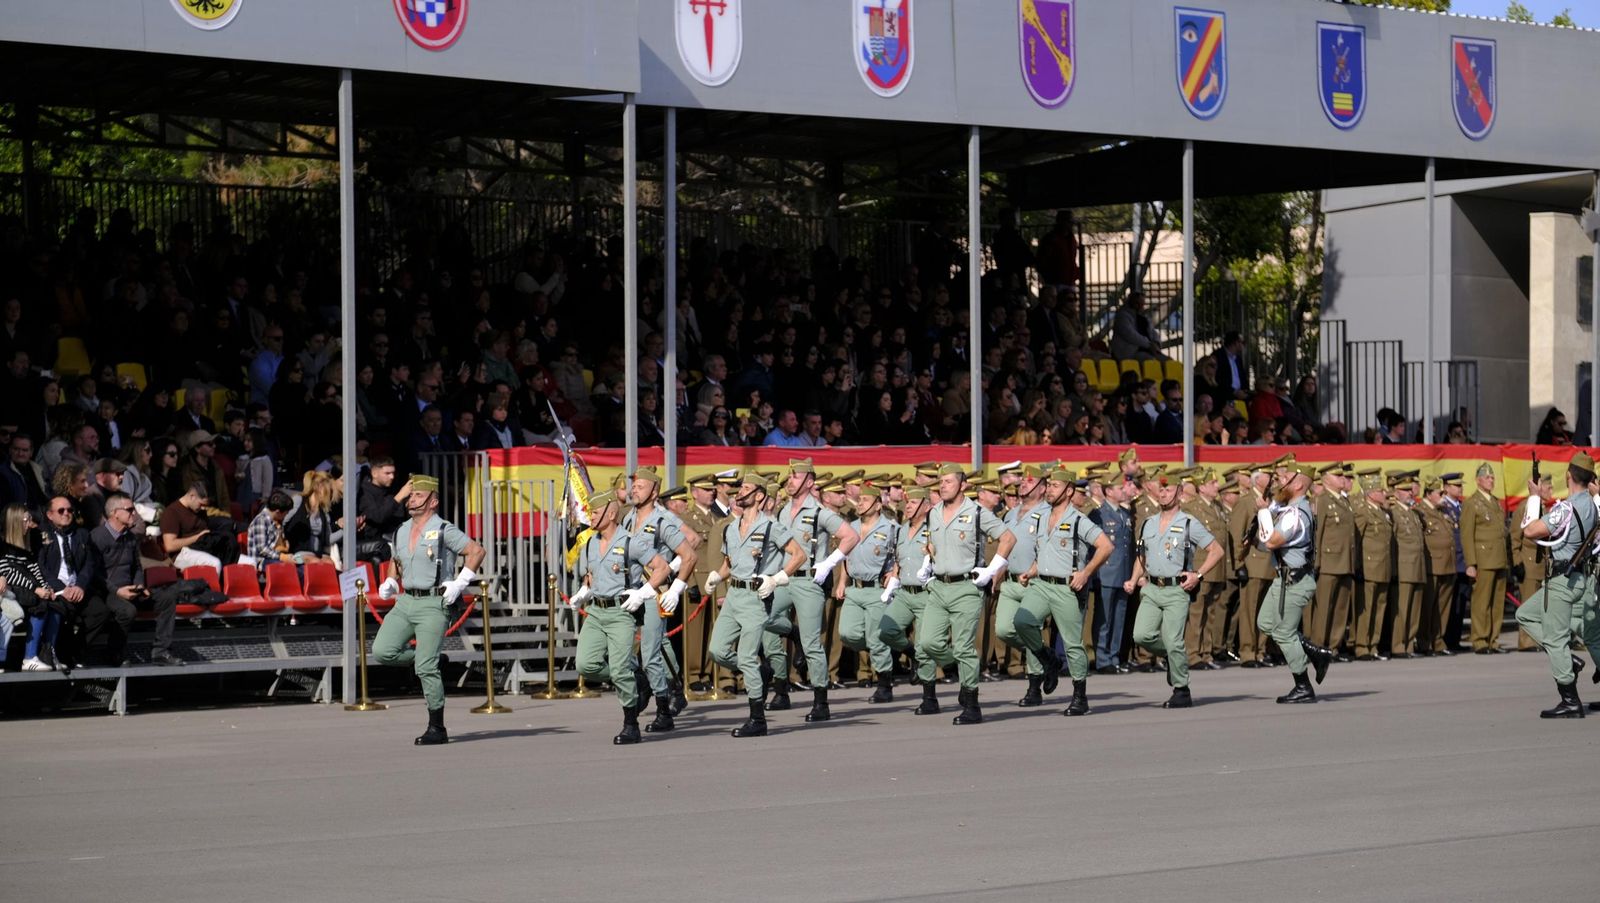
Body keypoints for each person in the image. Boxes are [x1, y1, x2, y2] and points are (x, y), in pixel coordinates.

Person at [373, 474, 486, 746]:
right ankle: (432, 660)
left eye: (419, 496)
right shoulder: (401, 530)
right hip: (407, 600)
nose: (412, 500)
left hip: (433, 602)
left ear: (433, 501)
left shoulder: (444, 529)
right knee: (382, 650)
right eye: (411, 495)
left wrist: (460, 583)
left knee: (425, 667)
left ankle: (437, 727)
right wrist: (391, 580)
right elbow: (396, 560)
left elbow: (476, 551)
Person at [704, 473, 805, 738]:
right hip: (734, 595)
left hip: (755, 597)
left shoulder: (771, 527)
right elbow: (729, 562)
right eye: (740, 489)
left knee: (747, 655)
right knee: (717, 651)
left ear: (759, 495)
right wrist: (717, 576)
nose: (740, 492)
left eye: (746, 488)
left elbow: (799, 555)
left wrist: (777, 578)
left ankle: (757, 719)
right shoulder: (730, 528)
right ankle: (760, 672)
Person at [914, 463, 1016, 724]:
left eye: (948, 481)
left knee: (963, 647)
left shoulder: (977, 512)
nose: (943, 485)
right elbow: (931, 544)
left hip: (966, 588)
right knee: (928, 643)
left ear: (963, 485)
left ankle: (971, 703)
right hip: (938, 587)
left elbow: (1008, 539)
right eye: (941, 481)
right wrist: (927, 564)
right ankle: (960, 668)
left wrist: (992, 570)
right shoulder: (933, 513)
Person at [570, 489, 671, 744]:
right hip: (596, 611)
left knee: (618, 670)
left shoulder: (631, 542)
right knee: (585, 664)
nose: (591, 517)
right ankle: (636, 677)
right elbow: (591, 574)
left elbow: (662, 567)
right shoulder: (591, 543)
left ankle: (630, 724)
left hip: (621, 612)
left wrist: (643, 593)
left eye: (595, 512)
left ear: (611, 514)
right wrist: (583, 591)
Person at [1016, 467, 1114, 715]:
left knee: (1072, 644)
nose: (1050, 489)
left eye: (1055, 486)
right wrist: (1031, 571)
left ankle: (1080, 696)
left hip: (1066, 588)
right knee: (1022, 622)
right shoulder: (1041, 517)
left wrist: (1085, 572)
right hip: (1041, 584)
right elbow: (1044, 551)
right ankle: (1047, 658)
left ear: (1069, 491)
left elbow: (1106, 546)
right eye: (1048, 485)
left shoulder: (1079, 520)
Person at [768, 457, 858, 721]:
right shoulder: (783, 511)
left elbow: (851, 536)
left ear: (809, 481)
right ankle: (781, 684)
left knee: (811, 644)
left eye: (795, 476)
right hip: (783, 578)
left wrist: (828, 564)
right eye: (789, 476)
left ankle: (820, 701)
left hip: (808, 581)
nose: (789, 481)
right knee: (763, 620)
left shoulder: (820, 512)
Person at [1126, 469, 1224, 709]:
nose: (1163, 494)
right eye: (1160, 490)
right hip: (1152, 588)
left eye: (1168, 490)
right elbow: (1142, 556)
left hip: (1175, 590)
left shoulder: (1189, 523)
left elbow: (1216, 550)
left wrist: (1197, 575)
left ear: (1179, 493)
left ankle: (1181, 689)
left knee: (1174, 640)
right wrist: (1133, 578)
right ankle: (1173, 657)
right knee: (1141, 635)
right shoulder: (1148, 523)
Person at [1513, 452, 1597, 718]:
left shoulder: (1567, 508)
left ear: (1568, 475)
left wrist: (1534, 497)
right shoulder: (1591, 505)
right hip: (1578, 577)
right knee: (1524, 614)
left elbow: (1530, 531)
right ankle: (1567, 659)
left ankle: (1570, 700)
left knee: (1556, 638)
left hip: (1562, 580)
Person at [622, 466, 697, 729]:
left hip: (654, 590)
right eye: (633, 486)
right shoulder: (628, 518)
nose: (634, 490)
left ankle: (666, 699)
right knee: (637, 645)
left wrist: (672, 571)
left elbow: (692, 541)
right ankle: (656, 685)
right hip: (631, 591)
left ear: (654, 492)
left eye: (640, 486)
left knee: (652, 647)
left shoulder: (664, 518)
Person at [1253, 464, 1334, 704]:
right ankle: (1313, 652)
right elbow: (1271, 543)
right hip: (1284, 578)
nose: (1280, 481)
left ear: (1298, 484)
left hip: (1295, 581)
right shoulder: (1288, 510)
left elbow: (1272, 541)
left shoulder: (1295, 514)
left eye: (1285, 478)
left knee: (1283, 633)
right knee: (1265, 622)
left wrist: (1263, 512)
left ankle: (1303, 686)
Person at [90, 492, 182, 666]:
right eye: (130, 510)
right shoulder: (97, 536)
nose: (135, 513)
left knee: (167, 599)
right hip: (108, 591)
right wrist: (117, 591)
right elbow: (93, 573)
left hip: (131, 589)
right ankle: (115, 654)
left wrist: (139, 585)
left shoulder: (130, 537)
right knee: (127, 611)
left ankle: (161, 652)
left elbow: (137, 567)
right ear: (115, 513)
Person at [991, 463, 1056, 705]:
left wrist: (1033, 569)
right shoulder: (1010, 514)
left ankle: (1034, 687)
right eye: (1022, 481)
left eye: (1030, 481)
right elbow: (1005, 546)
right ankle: (1045, 654)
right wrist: (997, 570)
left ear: (1042, 488)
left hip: (1034, 583)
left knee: (1030, 628)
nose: (1023, 485)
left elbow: (1050, 549)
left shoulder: (1048, 514)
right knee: (1003, 630)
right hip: (1010, 582)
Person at [834, 484, 900, 703]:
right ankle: (881, 645)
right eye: (859, 499)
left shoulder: (891, 528)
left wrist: (894, 573)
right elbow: (844, 557)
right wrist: (842, 582)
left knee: (876, 639)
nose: (860, 503)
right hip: (855, 588)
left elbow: (901, 554)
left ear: (878, 505)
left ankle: (884, 684)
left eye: (865, 500)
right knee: (847, 633)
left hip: (876, 590)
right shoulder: (850, 527)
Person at [38, 494, 102, 669]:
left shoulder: (81, 534)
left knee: (100, 611)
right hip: (55, 588)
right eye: (61, 510)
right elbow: (41, 566)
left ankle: (76, 649)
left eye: (69, 510)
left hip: (76, 587)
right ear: (50, 515)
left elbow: (89, 563)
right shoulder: (41, 535)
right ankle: (60, 654)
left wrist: (80, 585)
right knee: (61, 609)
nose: (66, 513)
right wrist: (61, 588)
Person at [1181, 468, 1232, 674]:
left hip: (1216, 566)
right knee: (1196, 612)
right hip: (1200, 565)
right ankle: (1192, 654)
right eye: (1212, 483)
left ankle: (1206, 653)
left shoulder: (1217, 506)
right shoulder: (1191, 508)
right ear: (1201, 487)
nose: (1217, 486)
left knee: (1210, 612)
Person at [0, 503, 62, 671]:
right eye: (26, 520)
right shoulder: (3, 545)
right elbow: (8, 573)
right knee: (39, 603)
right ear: (15, 521)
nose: (29, 524)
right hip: (13, 587)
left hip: (28, 585)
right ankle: (29, 657)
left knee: (57, 604)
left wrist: (45, 587)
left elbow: (34, 569)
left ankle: (48, 654)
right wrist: (35, 589)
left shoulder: (27, 545)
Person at [1460, 463, 1509, 654]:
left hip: (1499, 558)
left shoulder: (1495, 502)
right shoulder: (1472, 503)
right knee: (1481, 602)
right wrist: (1471, 563)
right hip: (1483, 559)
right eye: (1487, 477)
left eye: (1492, 477)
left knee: (1497, 603)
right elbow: (1467, 534)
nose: (1491, 480)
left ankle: (1493, 639)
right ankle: (1480, 640)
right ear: (1478, 480)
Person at [1418, 475, 1462, 657]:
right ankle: (1424, 642)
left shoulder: (1443, 511)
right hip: (1432, 566)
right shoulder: (1420, 511)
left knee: (1443, 607)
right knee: (1428, 607)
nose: (1443, 496)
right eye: (1440, 493)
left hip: (1448, 564)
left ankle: (1438, 641)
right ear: (1429, 494)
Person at [1387, 471, 1427, 659]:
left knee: (1414, 610)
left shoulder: (1413, 513)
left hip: (1417, 566)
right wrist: (1394, 569)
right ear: (1396, 492)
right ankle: (1398, 645)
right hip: (1403, 567)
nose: (1409, 493)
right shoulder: (1394, 513)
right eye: (1404, 490)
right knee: (1402, 610)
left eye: (1410, 489)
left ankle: (1409, 644)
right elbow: (1393, 543)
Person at [245, 491, 295, 571]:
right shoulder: (261, 521)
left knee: (300, 567)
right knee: (288, 569)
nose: (285, 516)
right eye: (286, 513)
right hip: (261, 561)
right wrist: (281, 556)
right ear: (278, 512)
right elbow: (262, 549)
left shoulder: (276, 520)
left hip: (274, 556)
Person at [1109, 291, 1165, 361]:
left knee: (1168, 361)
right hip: (1128, 353)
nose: (1140, 306)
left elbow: (1153, 332)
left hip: (1146, 351)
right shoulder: (1122, 317)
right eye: (1138, 303)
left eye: (1142, 304)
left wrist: (1156, 343)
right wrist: (1149, 344)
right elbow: (1130, 335)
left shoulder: (1144, 317)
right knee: (1151, 361)